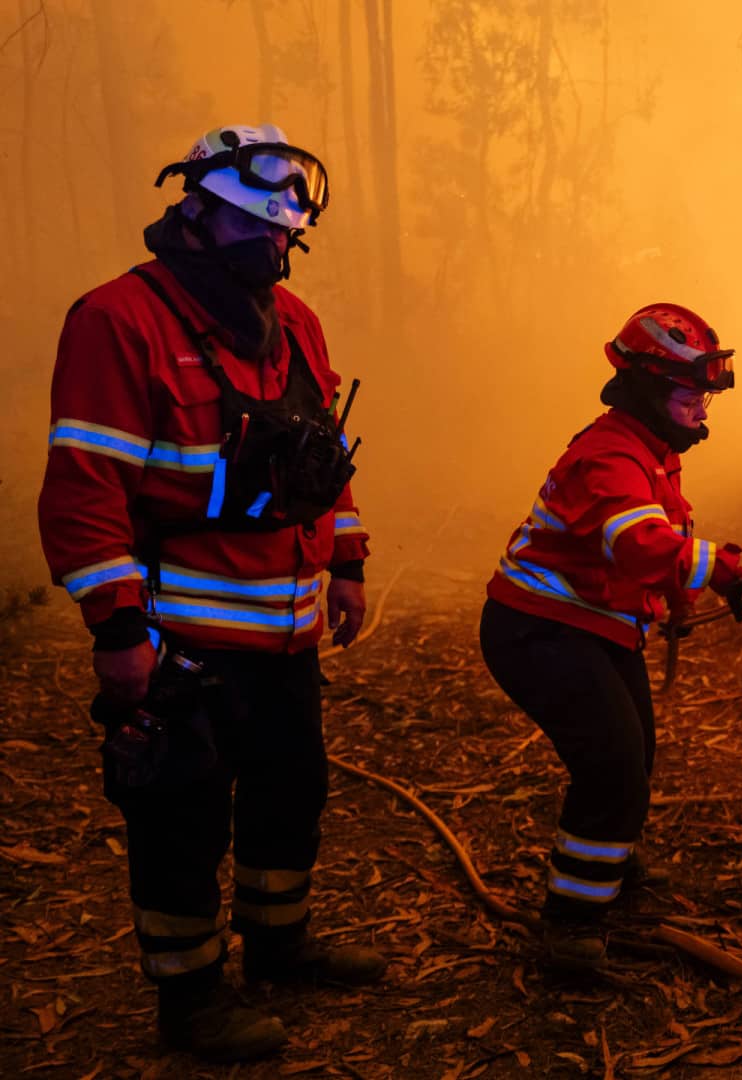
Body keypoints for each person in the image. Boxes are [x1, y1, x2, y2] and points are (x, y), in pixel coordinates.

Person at [37, 123, 383, 1063]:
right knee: (180, 818)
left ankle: (280, 946)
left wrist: (347, 562)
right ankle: (189, 998)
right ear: (195, 210)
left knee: (290, 792)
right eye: (256, 226)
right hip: (180, 636)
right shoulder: (119, 319)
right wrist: (117, 627)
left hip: (287, 629)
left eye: (285, 232)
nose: (275, 244)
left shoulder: (294, 321)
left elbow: (322, 457)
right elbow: (85, 487)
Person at [479, 302, 742, 970]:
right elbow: (639, 543)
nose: (700, 408)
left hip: (593, 626)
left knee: (634, 756)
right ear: (644, 387)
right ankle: (570, 926)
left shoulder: (652, 450)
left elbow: (657, 540)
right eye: (688, 395)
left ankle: (607, 863)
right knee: (612, 765)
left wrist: (677, 600)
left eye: (704, 396)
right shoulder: (609, 455)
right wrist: (725, 574)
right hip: (538, 631)